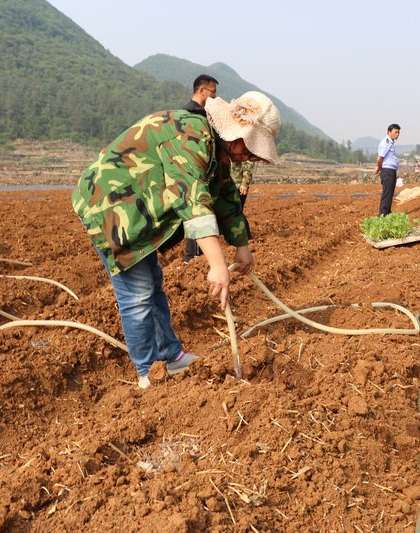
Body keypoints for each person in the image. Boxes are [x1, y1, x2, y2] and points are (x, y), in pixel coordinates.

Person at [72, 91, 280, 389]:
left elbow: (225, 196)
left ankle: (170, 355)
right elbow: (193, 201)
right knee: (137, 295)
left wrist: (242, 246)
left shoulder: (214, 149)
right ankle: (147, 373)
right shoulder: (190, 136)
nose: (250, 157)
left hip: (137, 208)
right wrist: (217, 265)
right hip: (111, 206)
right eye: (250, 149)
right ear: (236, 135)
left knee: (152, 285)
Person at [183, 74, 220, 264]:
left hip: (201, 174)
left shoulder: (201, 114)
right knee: (196, 214)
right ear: (202, 90)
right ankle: (192, 258)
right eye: (212, 94)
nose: (214, 98)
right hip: (194, 175)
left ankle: (196, 256)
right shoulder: (193, 115)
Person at [374, 124, 400, 216]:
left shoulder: (391, 142)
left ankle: (387, 214)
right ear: (388, 132)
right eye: (395, 132)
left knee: (389, 194)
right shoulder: (387, 142)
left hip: (390, 170)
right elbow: (380, 157)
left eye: (398, 132)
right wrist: (378, 167)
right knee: (387, 194)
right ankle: (383, 216)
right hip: (388, 171)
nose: (397, 134)